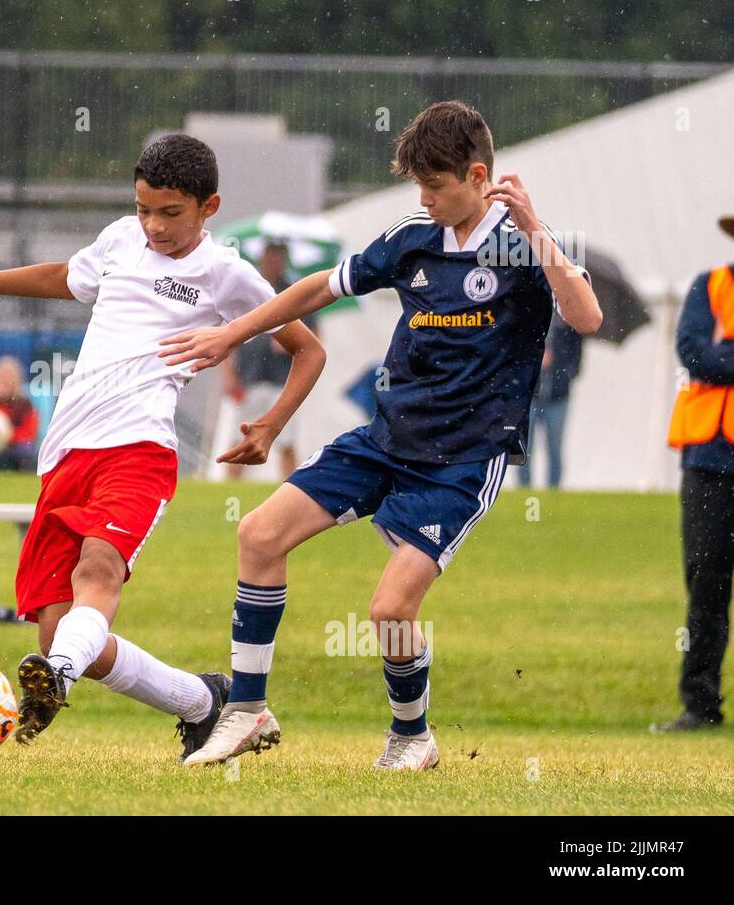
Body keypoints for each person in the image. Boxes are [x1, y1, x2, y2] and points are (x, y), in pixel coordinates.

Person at [161, 101, 602, 770]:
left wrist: (537, 228)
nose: (423, 200)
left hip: (462, 460)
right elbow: (319, 289)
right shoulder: (412, 238)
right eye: (417, 187)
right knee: (258, 533)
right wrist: (231, 332)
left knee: (390, 608)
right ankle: (245, 711)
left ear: (478, 175)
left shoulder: (523, 243)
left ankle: (411, 736)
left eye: (435, 186)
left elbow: (586, 315)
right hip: (385, 439)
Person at [0, 134, 326, 758]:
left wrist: (272, 424)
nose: (154, 225)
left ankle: (54, 681)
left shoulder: (227, 273)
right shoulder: (122, 238)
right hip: (65, 456)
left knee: (98, 574)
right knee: (55, 632)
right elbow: (63, 278)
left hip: (139, 451)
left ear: (210, 206)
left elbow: (309, 349)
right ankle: (203, 702)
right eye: (144, 209)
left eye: (171, 213)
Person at [656, 232, 734, 732]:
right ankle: (700, 703)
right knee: (706, 582)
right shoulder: (709, 286)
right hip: (710, 458)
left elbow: (713, 357)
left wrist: (724, 351)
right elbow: (693, 353)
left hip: (709, 456)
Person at [222, 242, 314, 480]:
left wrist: (291, 343)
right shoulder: (247, 293)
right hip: (249, 377)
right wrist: (228, 374)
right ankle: (228, 491)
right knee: (239, 436)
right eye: (270, 256)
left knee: (286, 440)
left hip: (282, 380)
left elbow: (313, 342)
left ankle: (289, 489)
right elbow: (226, 335)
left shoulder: (295, 293)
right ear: (262, 258)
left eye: (279, 257)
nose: (274, 262)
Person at [517, 313, 583, 488]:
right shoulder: (529, 322)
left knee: (555, 446)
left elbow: (576, 362)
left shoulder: (570, 327)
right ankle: (524, 490)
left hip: (558, 397)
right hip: (530, 397)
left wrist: (560, 372)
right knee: (525, 447)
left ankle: (554, 490)